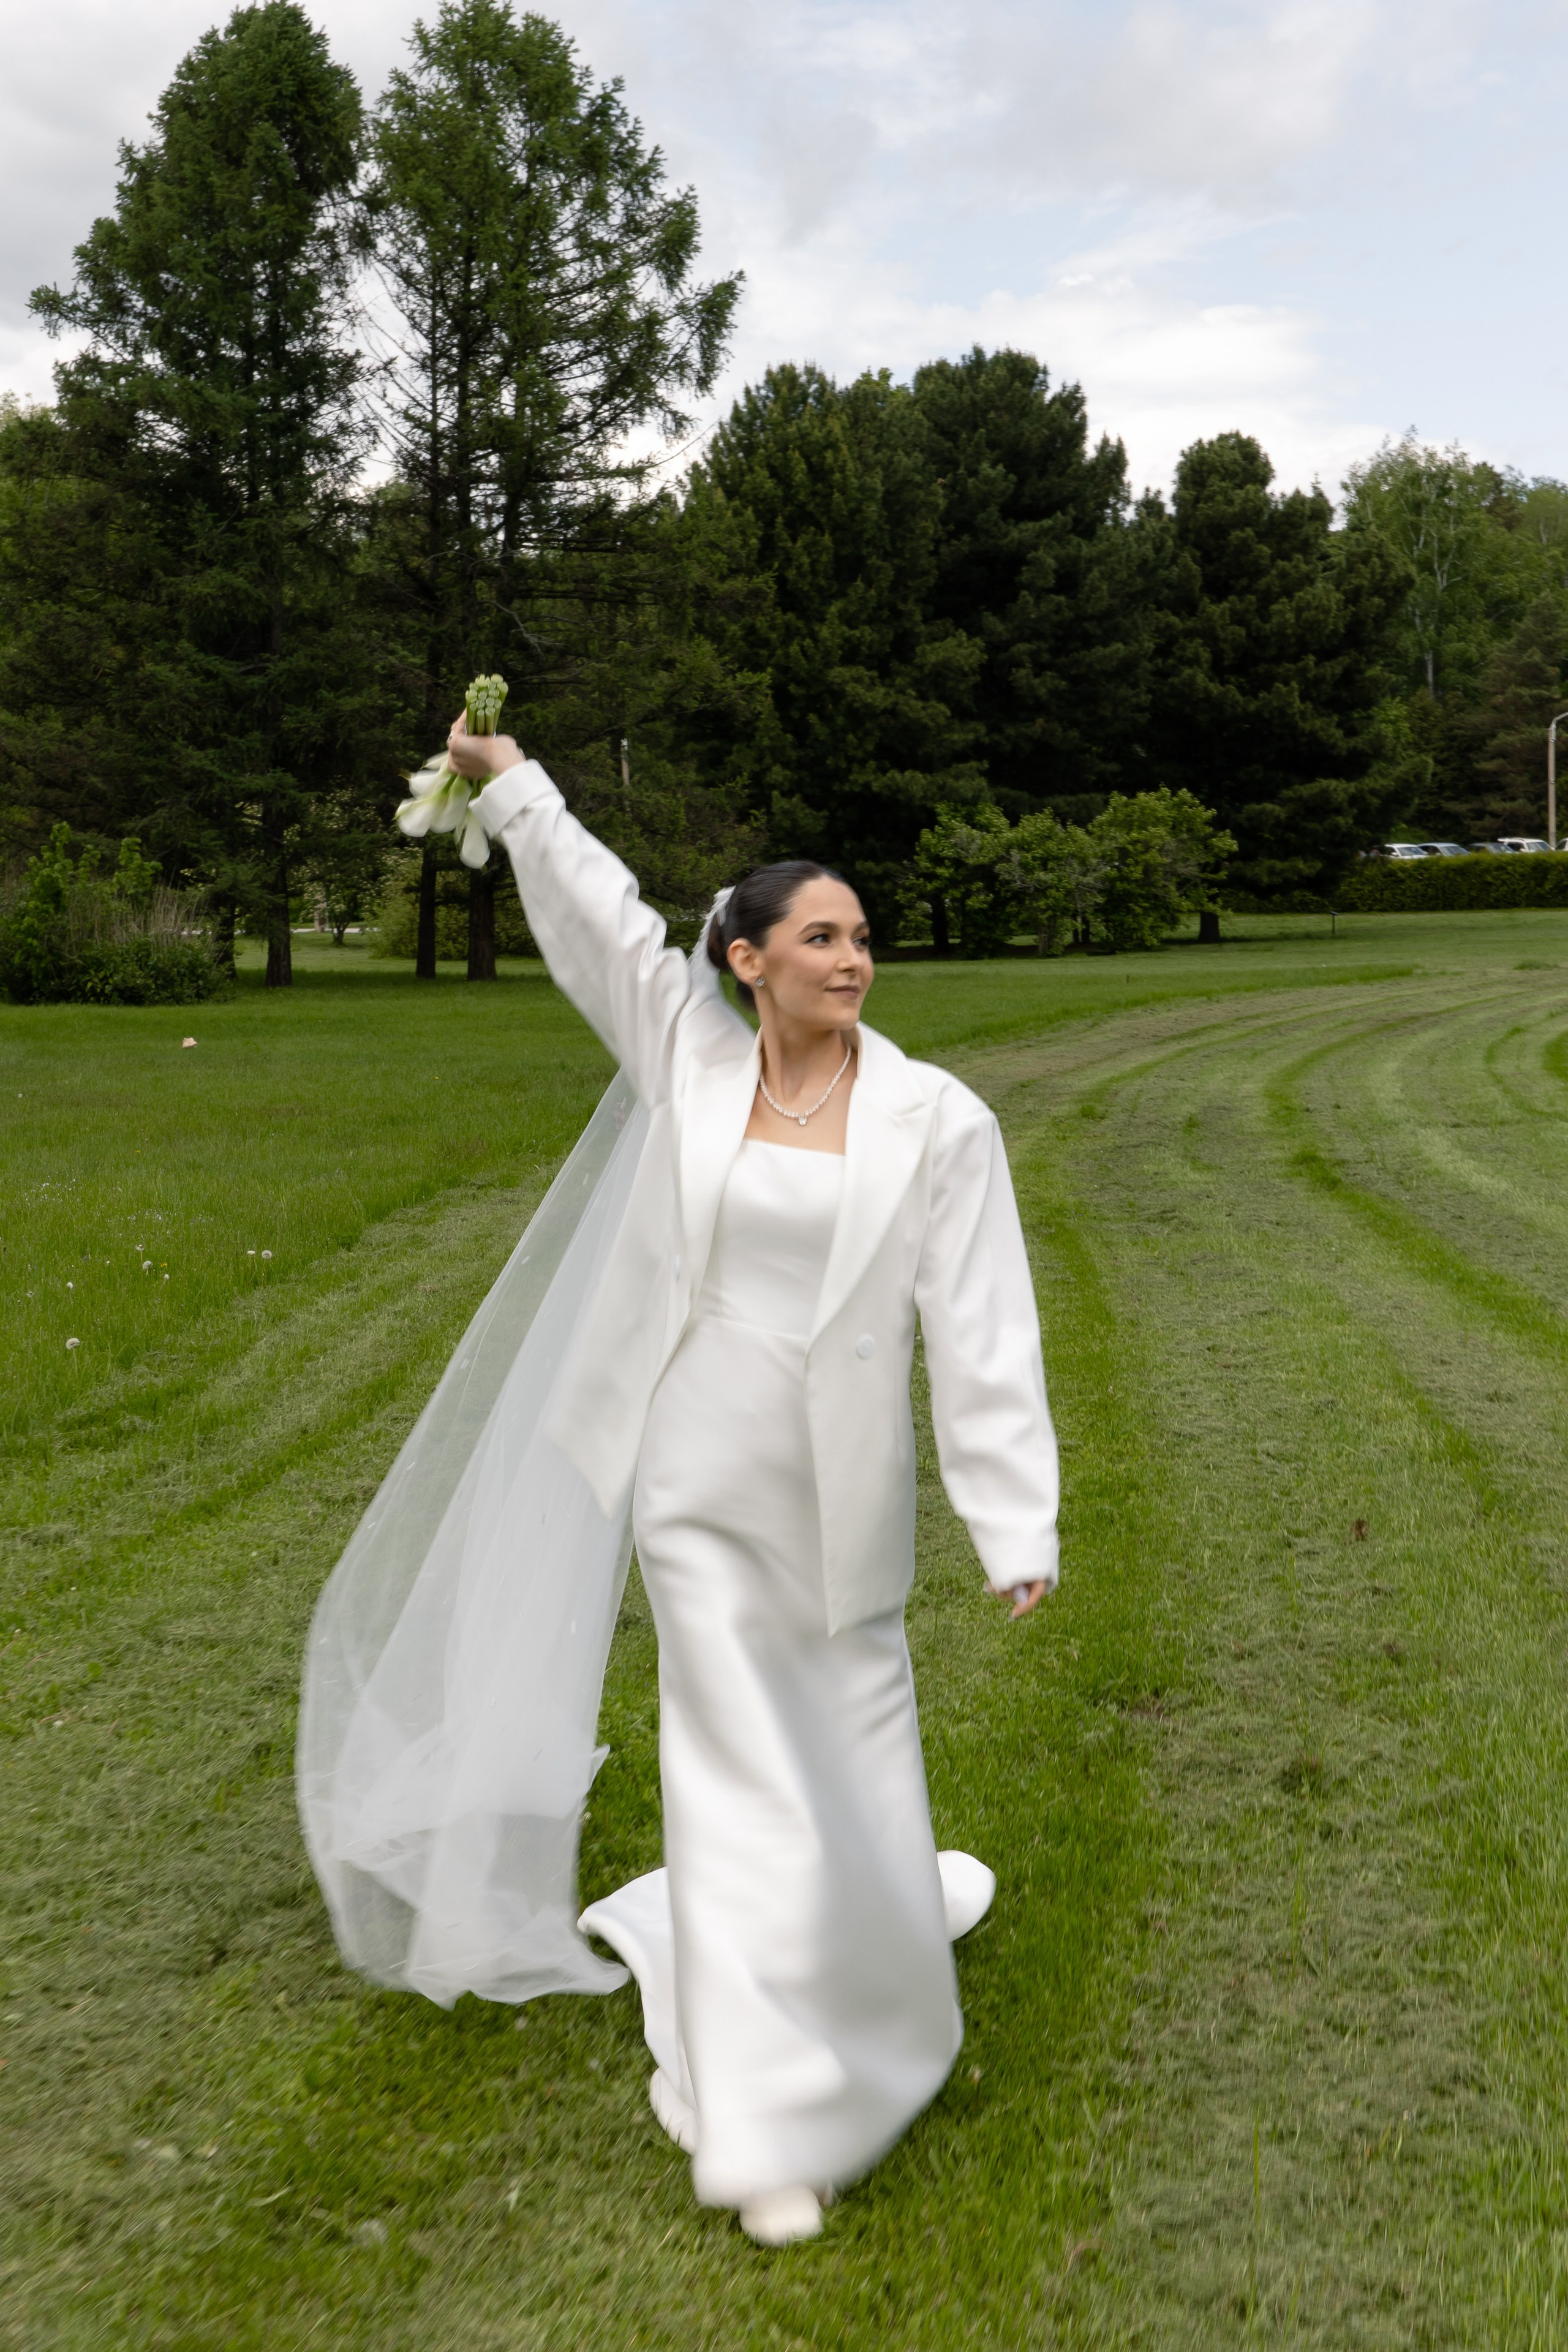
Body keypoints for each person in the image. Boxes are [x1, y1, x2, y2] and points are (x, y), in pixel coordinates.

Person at [432, 718, 1060, 2246]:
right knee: (722, 1769)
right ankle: (769, 2122)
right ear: (748, 963)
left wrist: (1009, 1516)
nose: (853, 961)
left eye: (862, 939)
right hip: (693, 1479)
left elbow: (980, 1329)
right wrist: (508, 787)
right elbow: (595, 917)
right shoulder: (687, 1058)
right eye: (822, 937)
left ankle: (872, 1966)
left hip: (841, 1500)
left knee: (847, 1751)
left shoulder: (937, 1122)